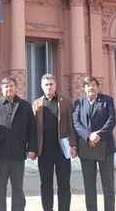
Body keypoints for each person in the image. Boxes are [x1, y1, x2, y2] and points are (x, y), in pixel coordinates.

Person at [0, 75, 37, 211]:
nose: (9, 89)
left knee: (18, 186)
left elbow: (32, 129)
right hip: (0, 154)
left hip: (18, 153)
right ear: (1, 88)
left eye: (11, 86)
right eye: (6, 86)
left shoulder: (25, 106)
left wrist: (32, 149)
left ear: (15, 88)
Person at [32, 73, 78, 211]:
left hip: (62, 150)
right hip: (44, 150)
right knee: (45, 184)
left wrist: (73, 145)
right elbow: (33, 129)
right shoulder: (37, 103)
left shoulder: (66, 101)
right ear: (42, 86)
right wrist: (33, 149)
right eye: (46, 84)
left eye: (51, 84)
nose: (49, 87)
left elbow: (72, 125)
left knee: (64, 184)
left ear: (55, 85)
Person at [72, 76, 116, 211]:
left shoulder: (107, 100)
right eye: (87, 85)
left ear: (98, 87)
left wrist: (99, 135)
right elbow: (76, 123)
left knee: (108, 184)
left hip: (105, 147)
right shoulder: (79, 103)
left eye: (93, 85)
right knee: (89, 184)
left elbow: (111, 120)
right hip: (87, 147)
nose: (90, 88)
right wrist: (88, 136)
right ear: (84, 88)